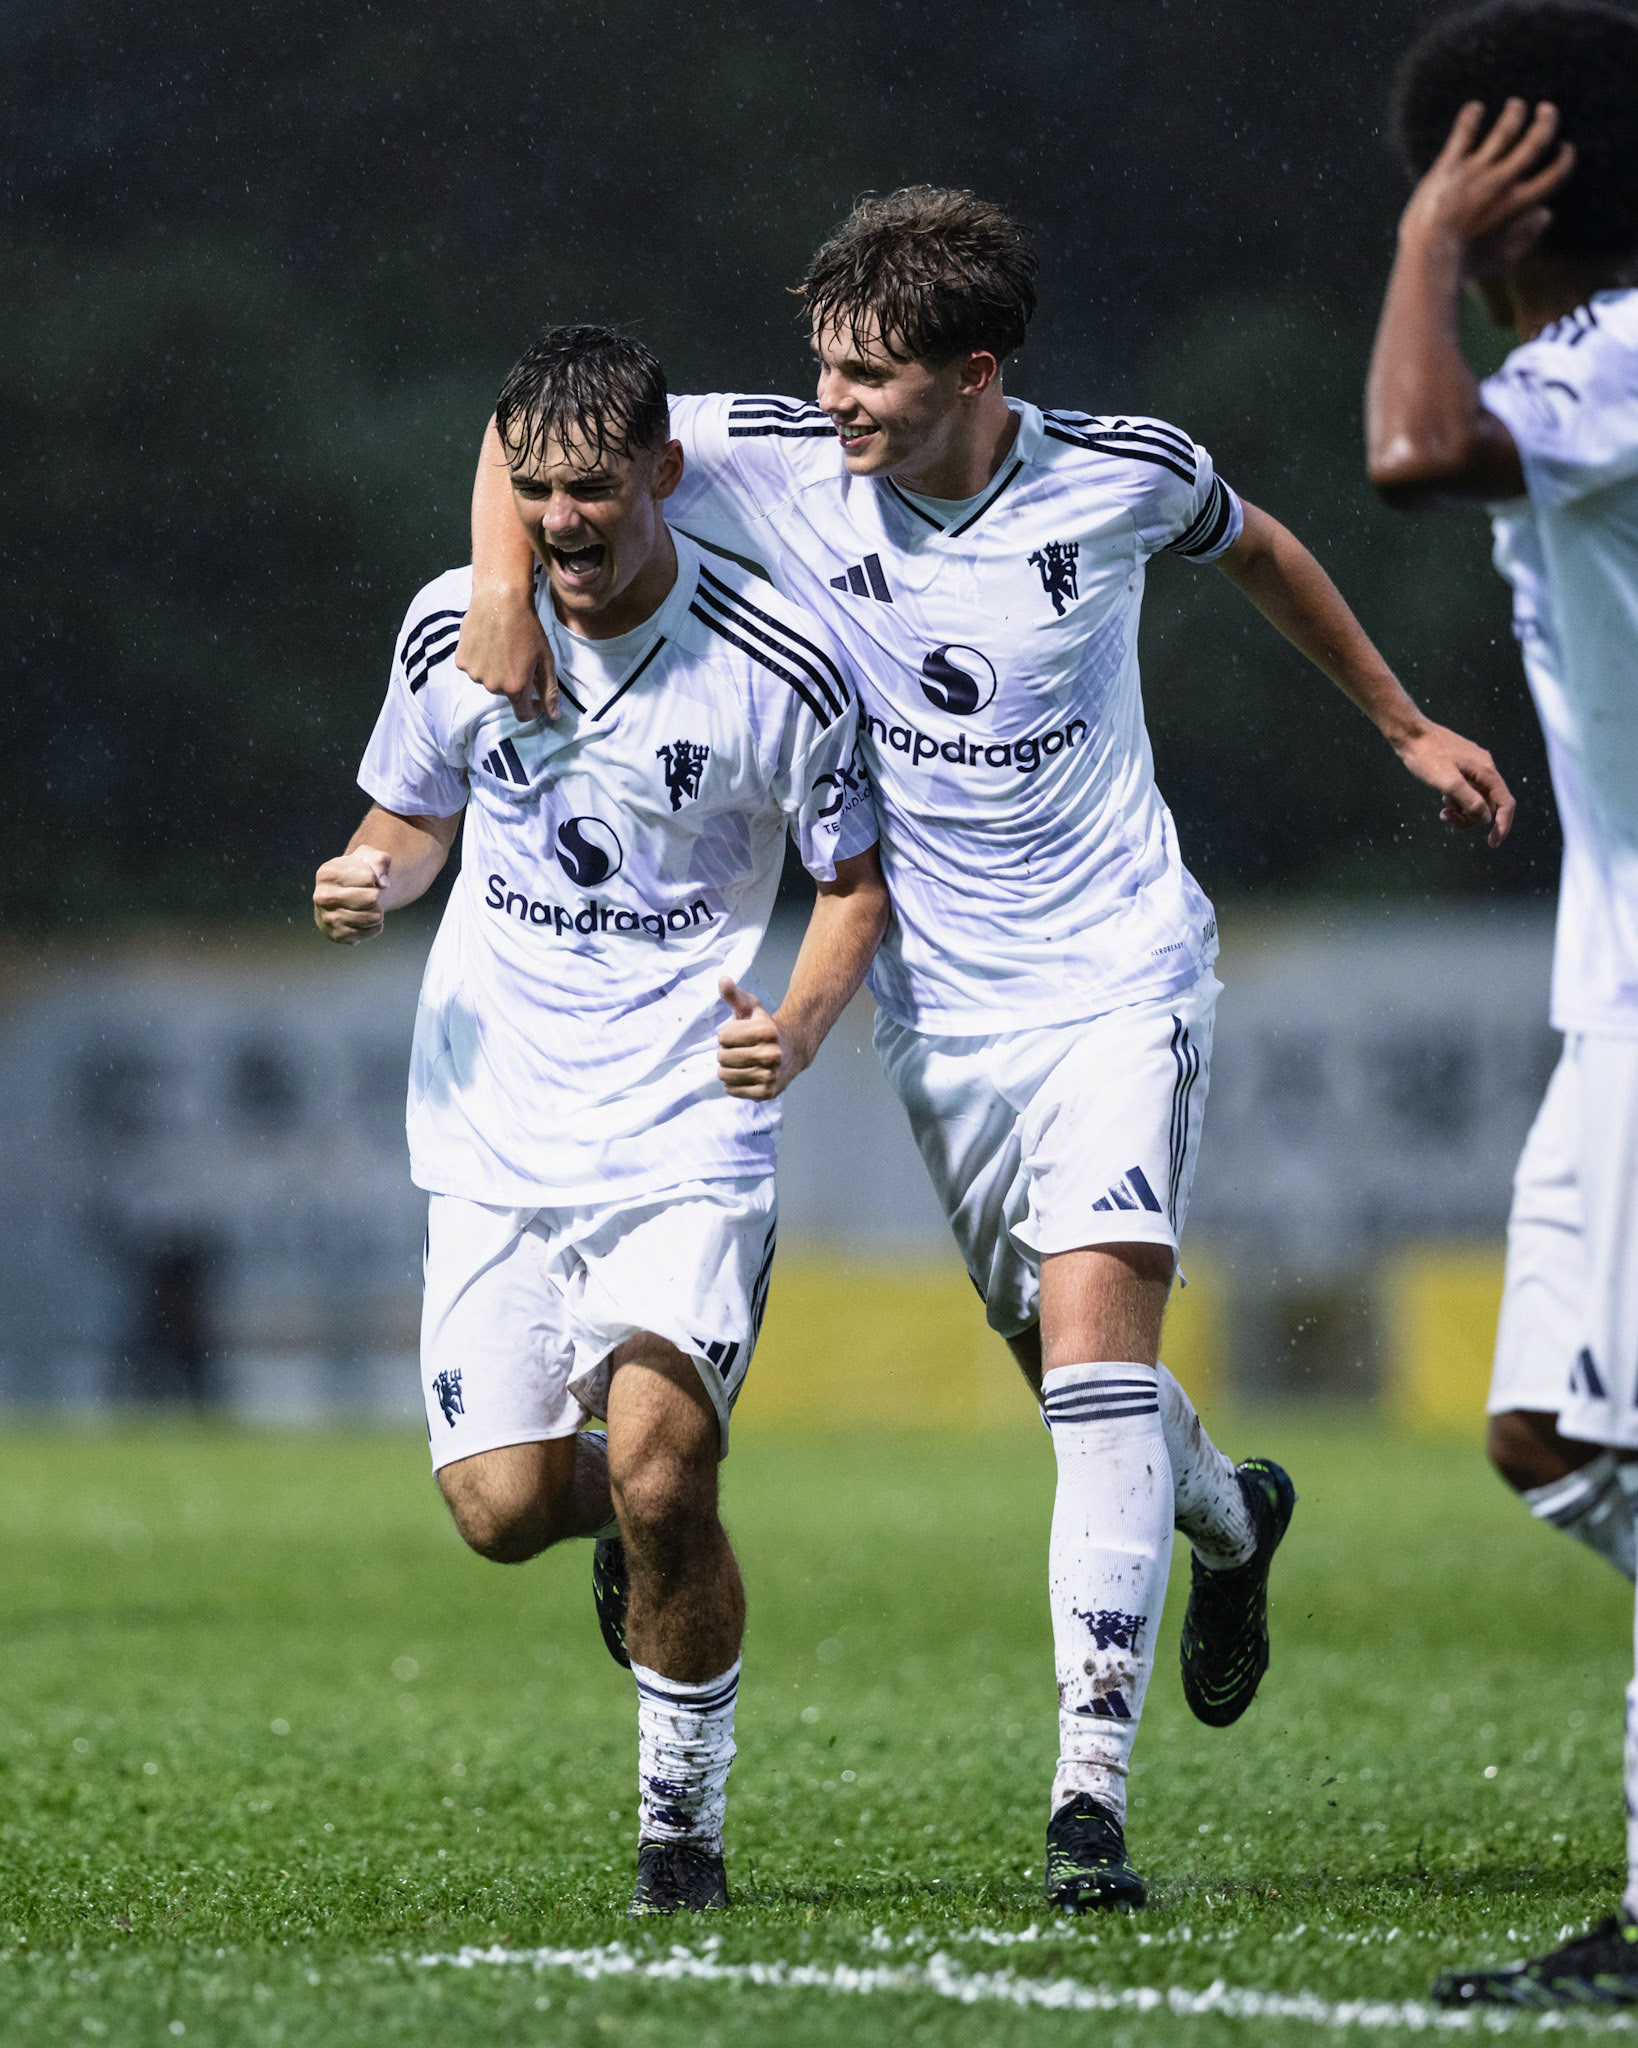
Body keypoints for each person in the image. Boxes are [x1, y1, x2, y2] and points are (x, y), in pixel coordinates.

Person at [458, 192, 1516, 1911]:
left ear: (973, 371)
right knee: (1068, 1376)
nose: (832, 403)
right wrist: (506, 591)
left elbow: (1256, 547)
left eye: (866, 375)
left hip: (1116, 973)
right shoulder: (770, 453)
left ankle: (1084, 1803)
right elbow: (541, 430)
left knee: (1094, 1364)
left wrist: (1399, 722)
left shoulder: (1118, 474)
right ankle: (1232, 1517)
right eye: (820, 367)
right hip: (937, 1011)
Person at [312, 325, 887, 1918]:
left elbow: (853, 887)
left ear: (664, 477)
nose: (561, 521)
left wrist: (798, 1026)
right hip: (493, 1123)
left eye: (592, 490)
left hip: (682, 1131)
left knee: (659, 1479)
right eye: (535, 489)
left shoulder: (777, 665)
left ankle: (679, 1843)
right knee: (502, 1509)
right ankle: (635, 1522)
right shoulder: (453, 627)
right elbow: (412, 813)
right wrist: (374, 875)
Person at [1365, 0, 1638, 2009]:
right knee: (1551, 1429)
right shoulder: (1586, 364)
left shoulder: (1622, 351)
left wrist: (1421, 255)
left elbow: (1406, 452)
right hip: (1606, 989)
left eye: (1454, 163)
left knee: (1578, 1433)